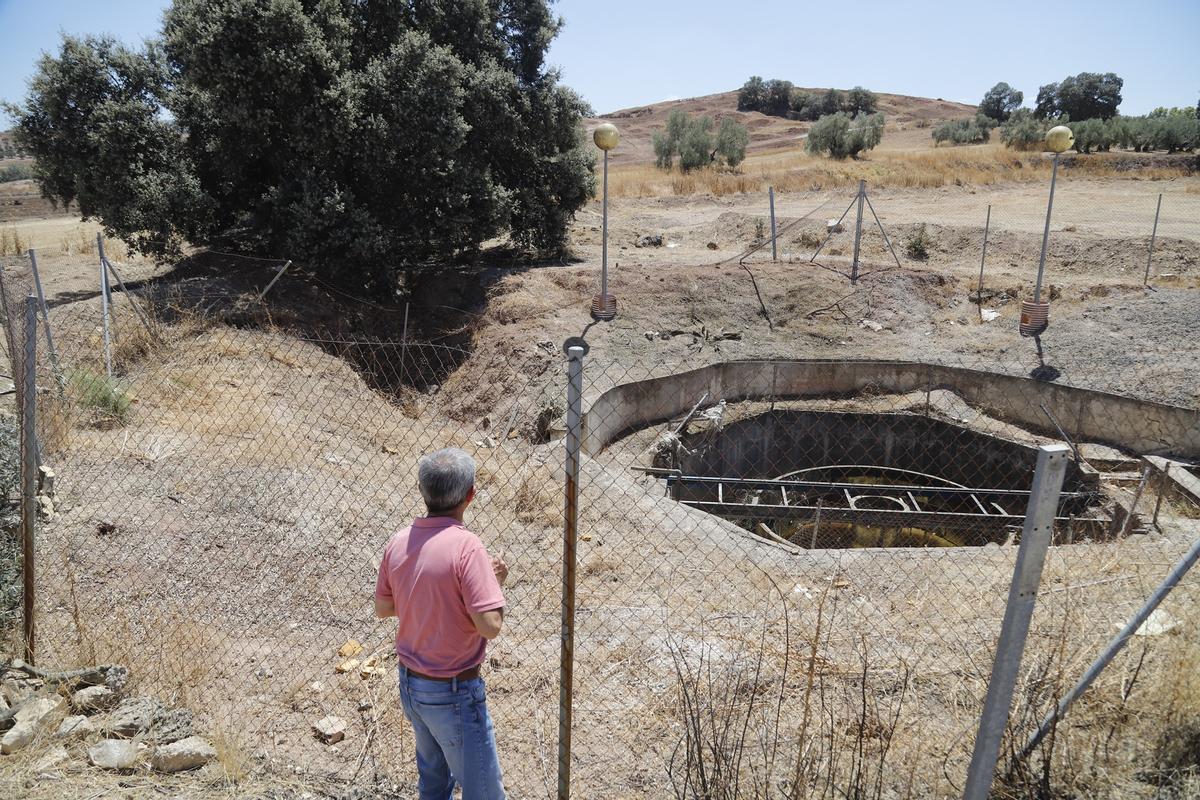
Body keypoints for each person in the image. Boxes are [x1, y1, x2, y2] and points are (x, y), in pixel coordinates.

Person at [375, 447, 509, 800]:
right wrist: (491, 583)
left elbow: (384, 607)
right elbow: (490, 626)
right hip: (451, 692)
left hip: (410, 685)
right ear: (470, 496)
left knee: (434, 786)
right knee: (485, 793)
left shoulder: (399, 541)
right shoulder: (468, 548)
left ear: (422, 491)